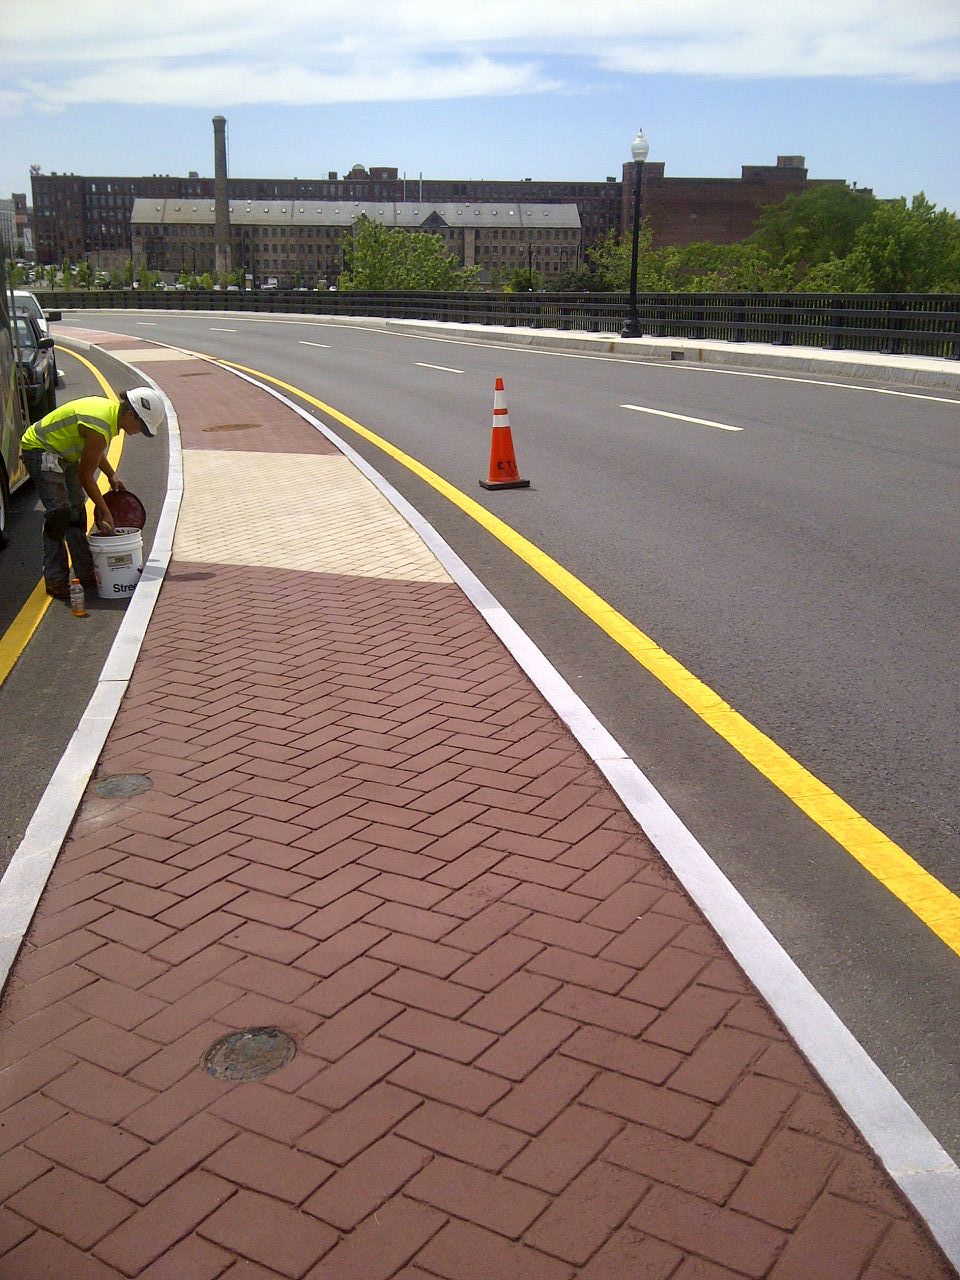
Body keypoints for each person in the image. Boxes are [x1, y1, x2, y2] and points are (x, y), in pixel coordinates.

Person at [20, 387, 166, 599]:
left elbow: (95, 450)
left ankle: (85, 571)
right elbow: (86, 476)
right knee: (59, 513)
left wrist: (111, 475)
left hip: (63, 453)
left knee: (76, 512)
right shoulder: (100, 424)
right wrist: (104, 509)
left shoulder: (109, 415)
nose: (138, 432)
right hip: (41, 448)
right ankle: (55, 580)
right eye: (141, 426)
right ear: (130, 414)